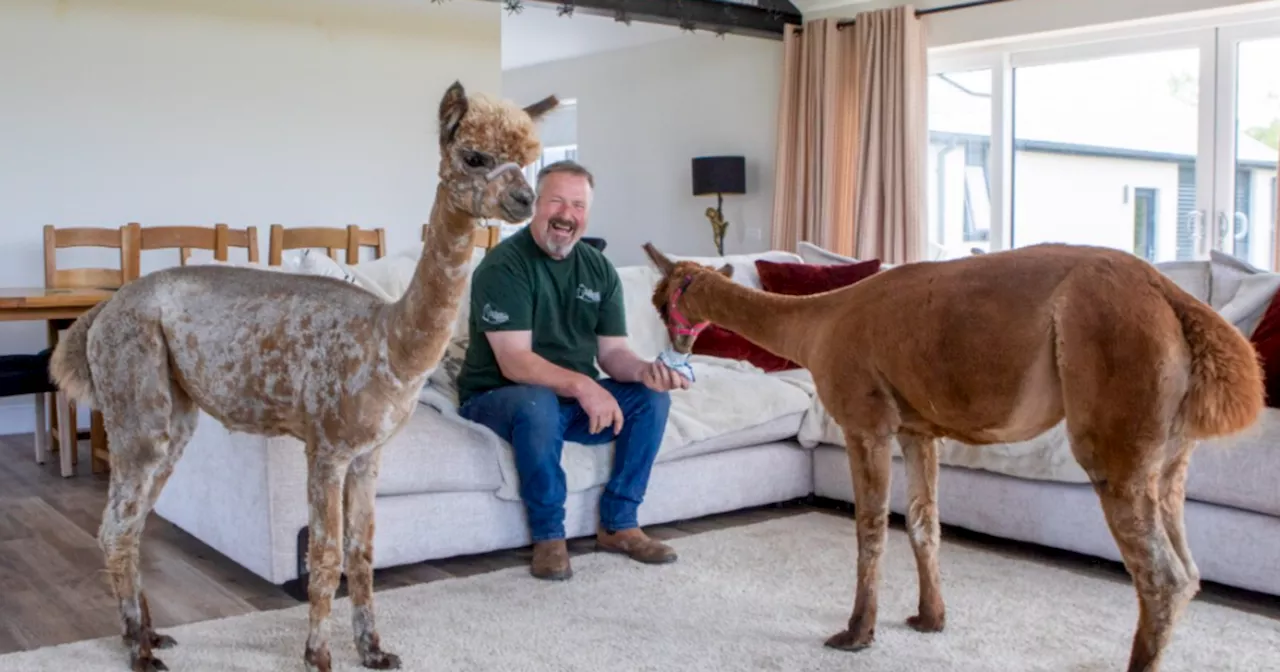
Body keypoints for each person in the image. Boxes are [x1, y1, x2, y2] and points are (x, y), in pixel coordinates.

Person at [456, 159, 690, 581]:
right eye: (557, 202)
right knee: (537, 401)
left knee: (650, 399)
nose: (567, 215)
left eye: (578, 206)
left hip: (565, 399)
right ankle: (549, 537)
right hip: (497, 396)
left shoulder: (598, 268)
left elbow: (613, 352)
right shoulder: (503, 266)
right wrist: (584, 385)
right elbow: (515, 362)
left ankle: (619, 524)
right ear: (537, 205)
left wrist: (643, 372)